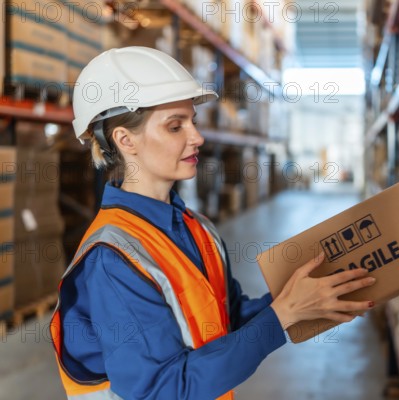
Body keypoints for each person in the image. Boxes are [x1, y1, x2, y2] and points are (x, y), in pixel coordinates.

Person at [50, 46, 376, 400]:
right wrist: (282, 316)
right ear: (126, 140)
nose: (197, 137)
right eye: (175, 126)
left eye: (193, 121)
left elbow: (225, 320)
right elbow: (163, 389)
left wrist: (300, 296)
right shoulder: (111, 259)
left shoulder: (196, 227)